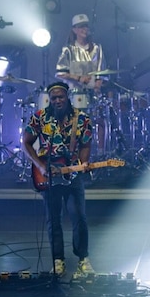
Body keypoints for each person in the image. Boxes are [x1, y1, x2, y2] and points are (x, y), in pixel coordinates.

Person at [21, 81, 95, 278]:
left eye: (61, 97)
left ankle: (83, 259)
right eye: (53, 98)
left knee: (79, 217)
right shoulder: (40, 117)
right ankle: (58, 260)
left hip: (73, 175)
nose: (57, 101)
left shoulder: (81, 119)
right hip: (49, 177)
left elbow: (86, 144)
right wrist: (40, 165)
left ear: (67, 97)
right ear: (49, 99)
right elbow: (26, 143)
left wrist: (84, 163)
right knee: (53, 220)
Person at [56, 14, 104, 97]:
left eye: (86, 26)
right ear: (74, 30)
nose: (85, 29)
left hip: (91, 93)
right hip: (72, 93)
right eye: (81, 27)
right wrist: (79, 78)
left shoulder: (97, 48)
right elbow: (60, 73)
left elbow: (101, 73)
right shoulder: (68, 49)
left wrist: (97, 87)